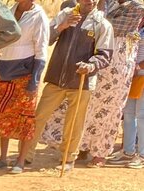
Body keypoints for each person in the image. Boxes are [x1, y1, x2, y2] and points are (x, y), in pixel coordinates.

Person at [29, 0, 114, 171]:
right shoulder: (65, 15)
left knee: (74, 122)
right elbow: (47, 39)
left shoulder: (102, 24)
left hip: (82, 81)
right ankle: (26, 155)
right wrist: (62, 26)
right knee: (38, 117)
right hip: (56, 77)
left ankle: (68, 159)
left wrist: (91, 65)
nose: (89, 1)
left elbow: (105, 55)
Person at [77, 0, 144, 165]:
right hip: (97, 58)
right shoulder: (107, 3)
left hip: (118, 66)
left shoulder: (136, 8)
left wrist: (98, 12)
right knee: (89, 104)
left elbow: (110, 26)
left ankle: (100, 152)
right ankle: (82, 147)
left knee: (111, 109)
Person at [0, 0, 49, 171]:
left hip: (25, 74)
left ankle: (20, 161)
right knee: (3, 114)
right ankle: (3, 158)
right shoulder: (8, 11)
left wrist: (34, 81)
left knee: (25, 118)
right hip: (4, 72)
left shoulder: (39, 16)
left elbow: (41, 50)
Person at [113, 28, 144, 166]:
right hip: (133, 77)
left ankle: (142, 155)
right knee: (129, 114)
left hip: (141, 74)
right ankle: (128, 151)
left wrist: (139, 66)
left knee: (141, 115)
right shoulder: (139, 27)